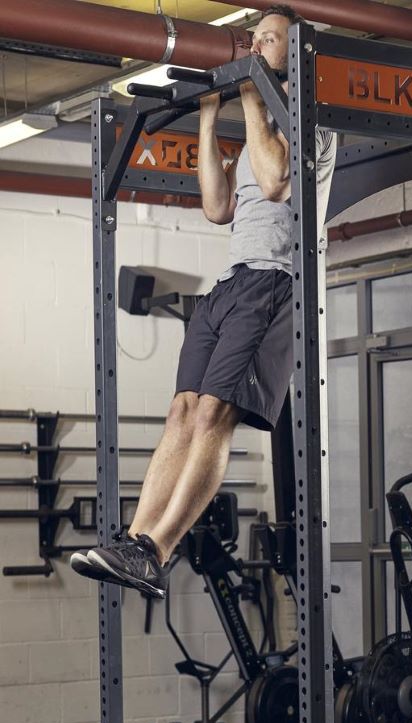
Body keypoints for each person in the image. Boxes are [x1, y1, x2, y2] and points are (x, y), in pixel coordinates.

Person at [71, 4, 336, 599]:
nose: (257, 45)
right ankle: (133, 541)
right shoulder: (256, 132)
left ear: (296, 53)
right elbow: (218, 208)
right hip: (231, 284)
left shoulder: (310, 124)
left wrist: (247, 93)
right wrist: (211, 116)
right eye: (257, 37)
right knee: (184, 409)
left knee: (216, 413)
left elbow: (274, 183)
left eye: (269, 39)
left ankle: (158, 550)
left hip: (275, 284)